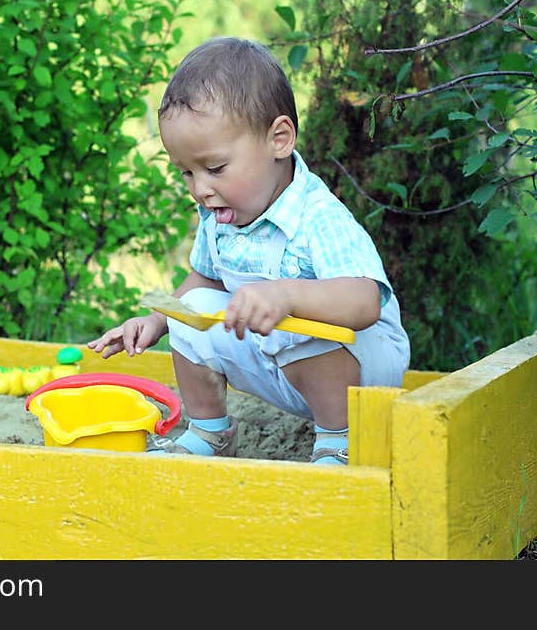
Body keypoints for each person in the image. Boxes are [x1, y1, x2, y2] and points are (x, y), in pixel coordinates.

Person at [87, 36, 410, 465]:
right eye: (186, 172)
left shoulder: (317, 217)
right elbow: (204, 280)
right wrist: (156, 320)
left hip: (361, 368)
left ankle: (340, 440)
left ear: (279, 139)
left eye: (215, 168)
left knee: (293, 320)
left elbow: (365, 300)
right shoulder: (221, 217)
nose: (201, 190)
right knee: (192, 309)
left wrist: (286, 295)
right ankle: (209, 432)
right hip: (281, 359)